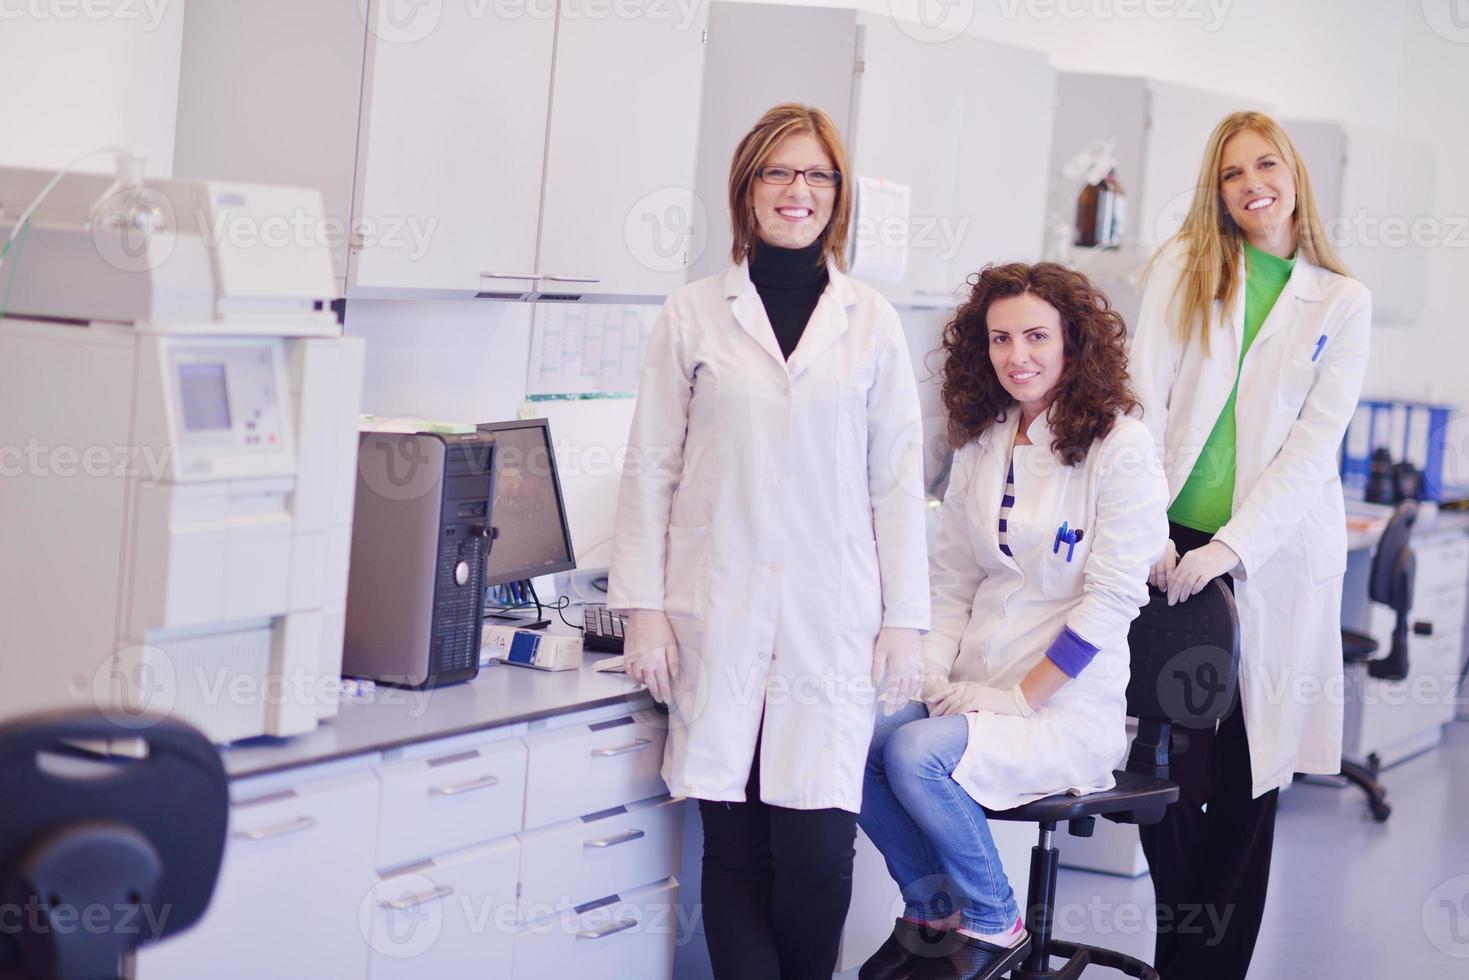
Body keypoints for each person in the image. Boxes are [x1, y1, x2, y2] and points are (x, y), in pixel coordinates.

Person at [607, 103, 931, 980]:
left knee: (819, 858)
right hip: (714, 613)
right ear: (746, 189)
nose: (798, 191)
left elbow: (896, 482)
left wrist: (906, 618)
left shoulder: (870, 322)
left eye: (817, 175)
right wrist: (642, 611)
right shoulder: (691, 314)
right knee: (736, 850)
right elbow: (649, 470)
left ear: (840, 195)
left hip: (830, 622)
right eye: (778, 173)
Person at [859, 262, 1169, 980]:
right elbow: (951, 578)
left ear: (1073, 343)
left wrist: (1020, 697)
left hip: (1060, 707)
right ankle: (930, 909)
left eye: (1035, 335)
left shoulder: (1121, 448)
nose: (1016, 356)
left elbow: (1111, 600)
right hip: (970, 688)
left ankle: (995, 920)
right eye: (999, 339)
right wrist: (928, 670)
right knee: (851, 733)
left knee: (913, 756)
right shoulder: (984, 438)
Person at [1129, 110, 1371, 979]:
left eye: (1264, 165)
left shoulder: (1340, 301)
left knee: (1243, 775)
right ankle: (1174, 955)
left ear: (1295, 175)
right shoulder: (1181, 269)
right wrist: (1151, 525)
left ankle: (1211, 970)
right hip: (1164, 548)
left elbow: (1312, 447)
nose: (1250, 184)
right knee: (1157, 771)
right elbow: (1140, 400)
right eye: (1231, 173)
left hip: (1266, 556)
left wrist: (1229, 548)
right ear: (1217, 189)